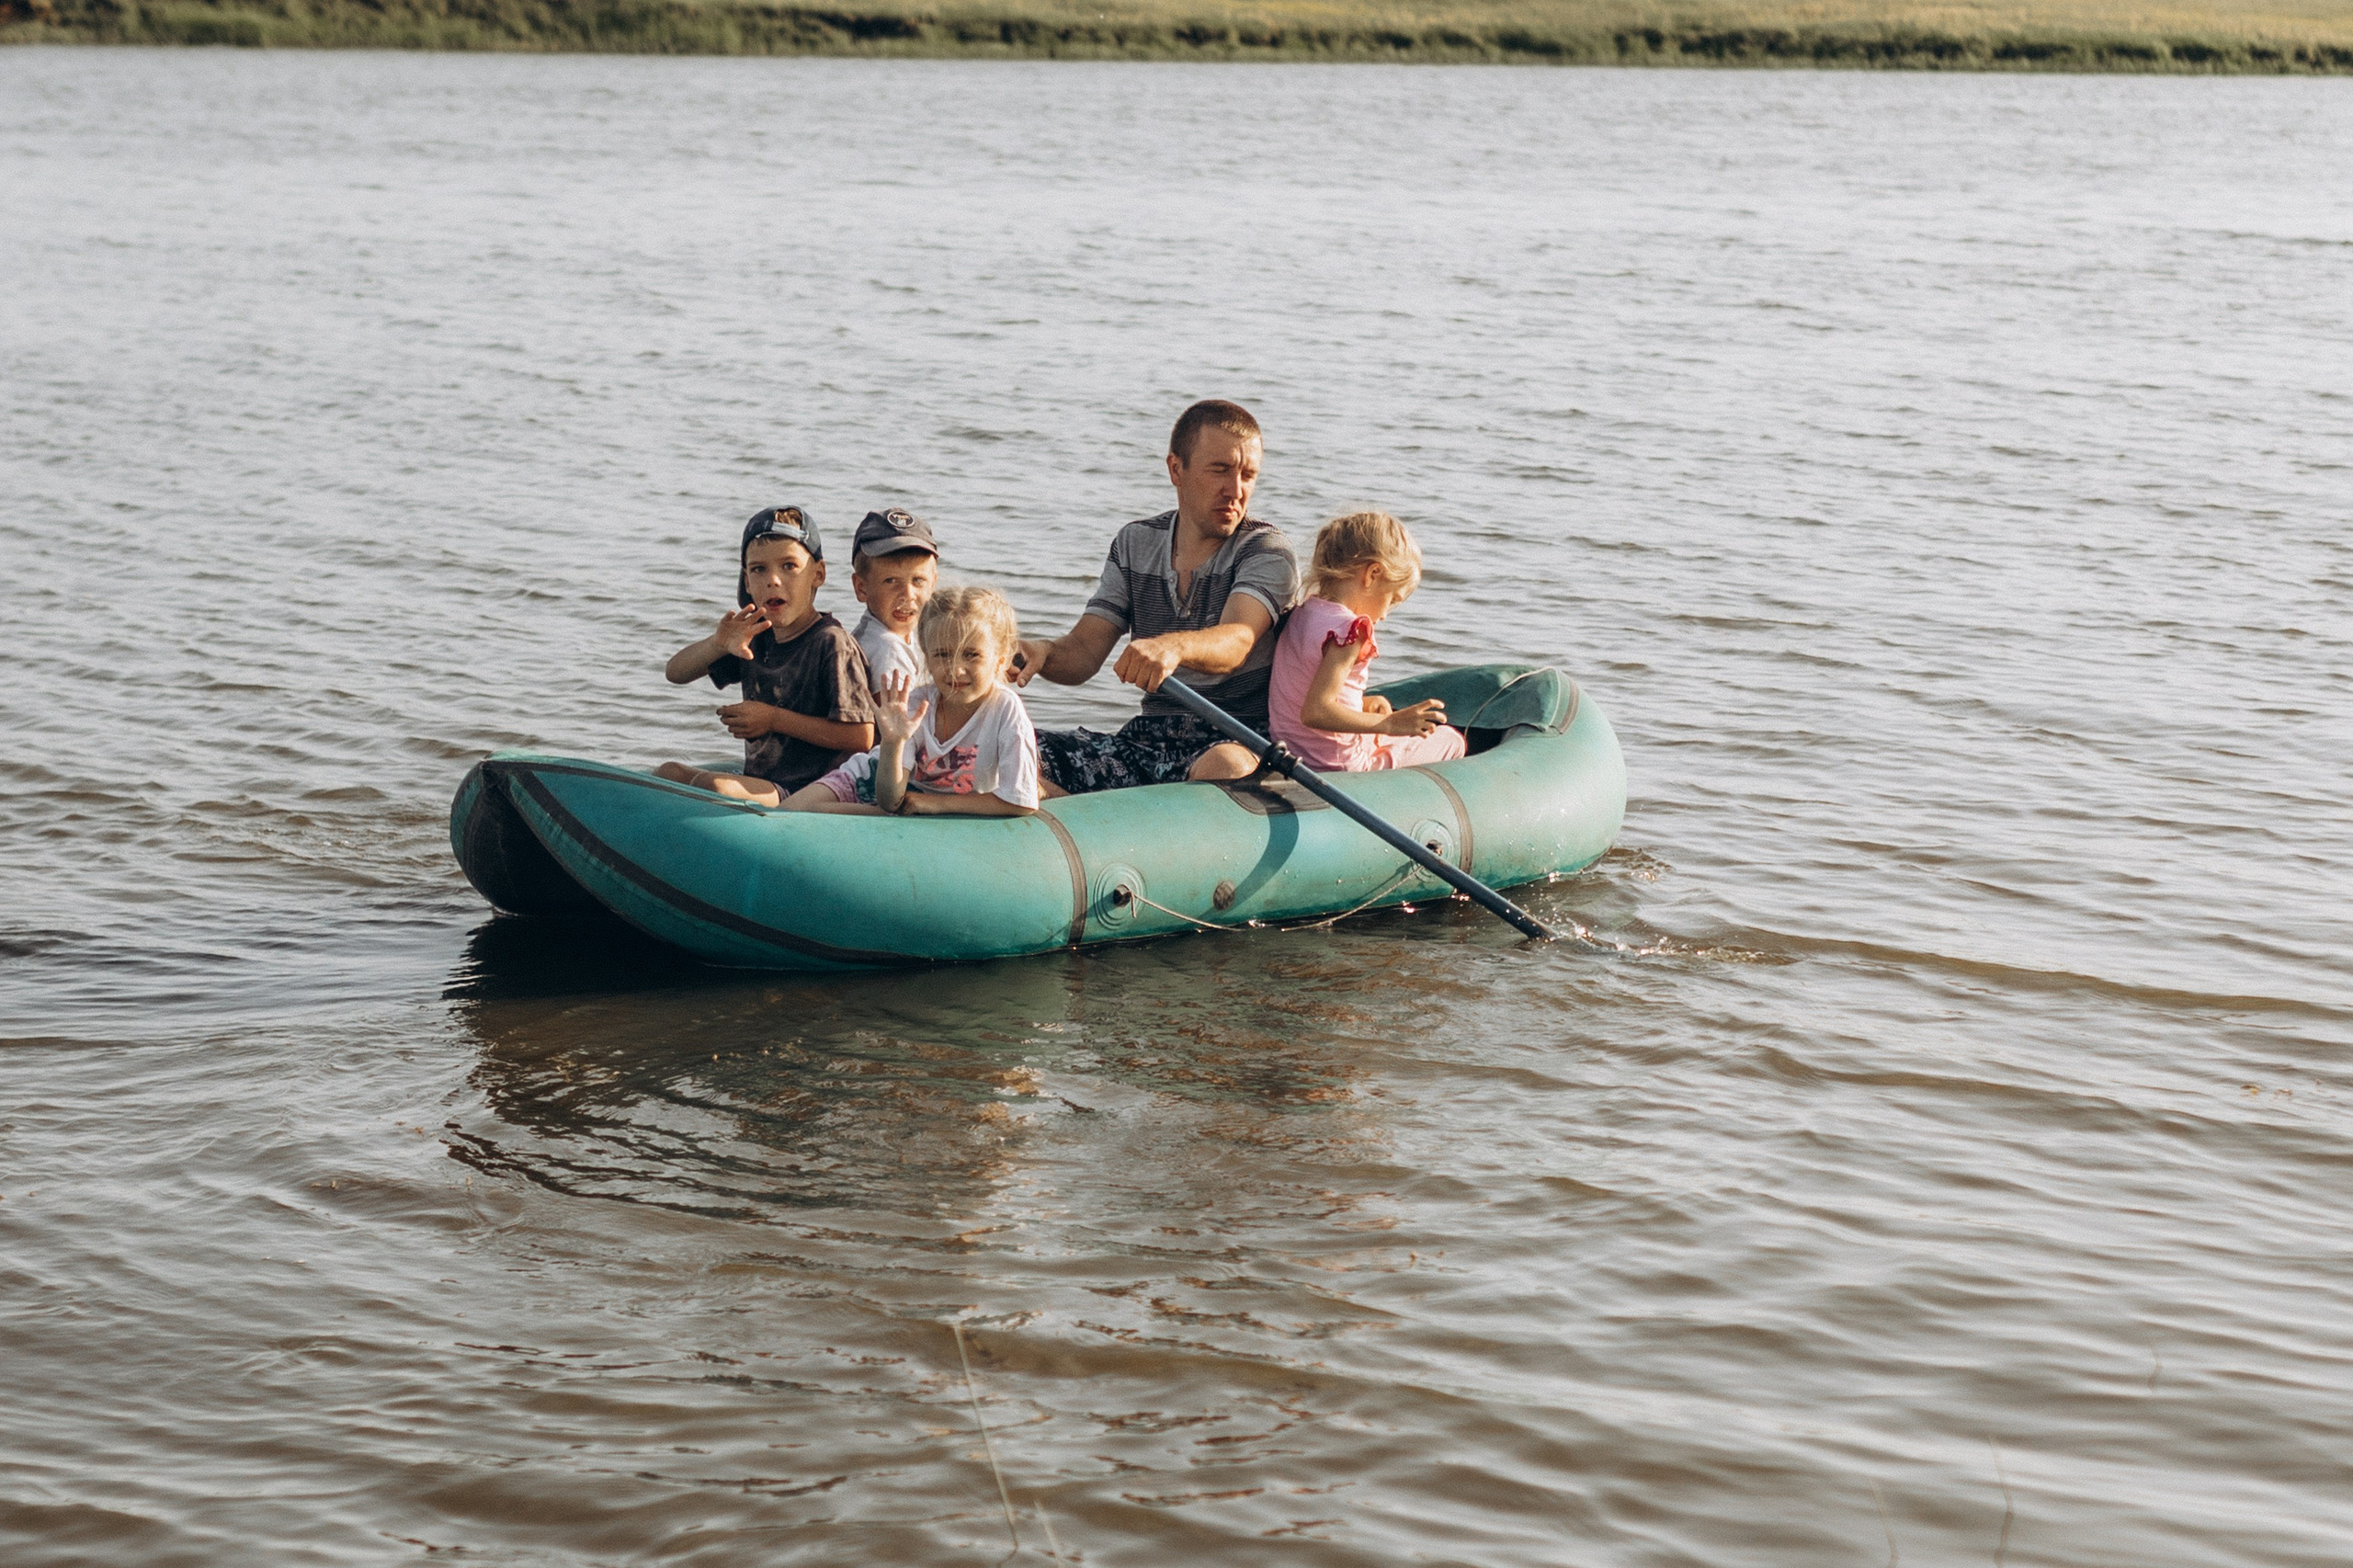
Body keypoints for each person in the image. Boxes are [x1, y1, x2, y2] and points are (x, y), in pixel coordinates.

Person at [1015, 399, 1301, 794]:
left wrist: (1173, 647)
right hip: (1145, 740)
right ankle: (1078, 828)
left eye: (1248, 475)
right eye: (1219, 470)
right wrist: (1041, 652)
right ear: (1175, 469)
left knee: (1227, 764)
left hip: (1235, 739)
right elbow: (1082, 653)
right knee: (1010, 742)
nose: (1235, 490)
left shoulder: (1268, 550)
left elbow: (1237, 640)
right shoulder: (1135, 542)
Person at [654, 507, 875, 807]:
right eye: (759, 569)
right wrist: (718, 643)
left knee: (715, 787)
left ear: (818, 574)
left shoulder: (832, 643)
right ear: (746, 581)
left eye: (789, 566)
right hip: (766, 781)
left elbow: (860, 736)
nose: (773, 580)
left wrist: (773, 719)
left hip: (814, 790)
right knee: (669, 772)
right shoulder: (756, 637)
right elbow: (675, 672)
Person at [784, 585, 1040, 817]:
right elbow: (890, 800)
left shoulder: (1005, 709)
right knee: (786, 814)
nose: (955, 670)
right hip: (870, 780)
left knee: (811, 815)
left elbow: (1020, 802)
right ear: (927, 657)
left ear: (1001, 658)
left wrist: (937, 804)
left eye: (972, 655)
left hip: (916, 803)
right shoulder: (919, 704)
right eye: (942, 655)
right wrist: (893, 743)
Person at [1267, 511, 1465, 772]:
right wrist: (1390, 724)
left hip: (1293, 753)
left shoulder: (1304, 613)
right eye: (1392, 599)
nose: (1384, 615)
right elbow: (1314, 712)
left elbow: (1306, 692)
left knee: (1388, 728)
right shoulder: (1350, 630)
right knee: (1451, 741)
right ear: (1373, 573)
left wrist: (1363, 705)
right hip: (1339, 764)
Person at [847, 507, 938, 698]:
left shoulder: (899, 636)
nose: (907, 594)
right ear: (861, 588)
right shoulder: (886, 649)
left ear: (933, 585)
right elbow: (895, 724)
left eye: (918, 580)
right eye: (891, 581)